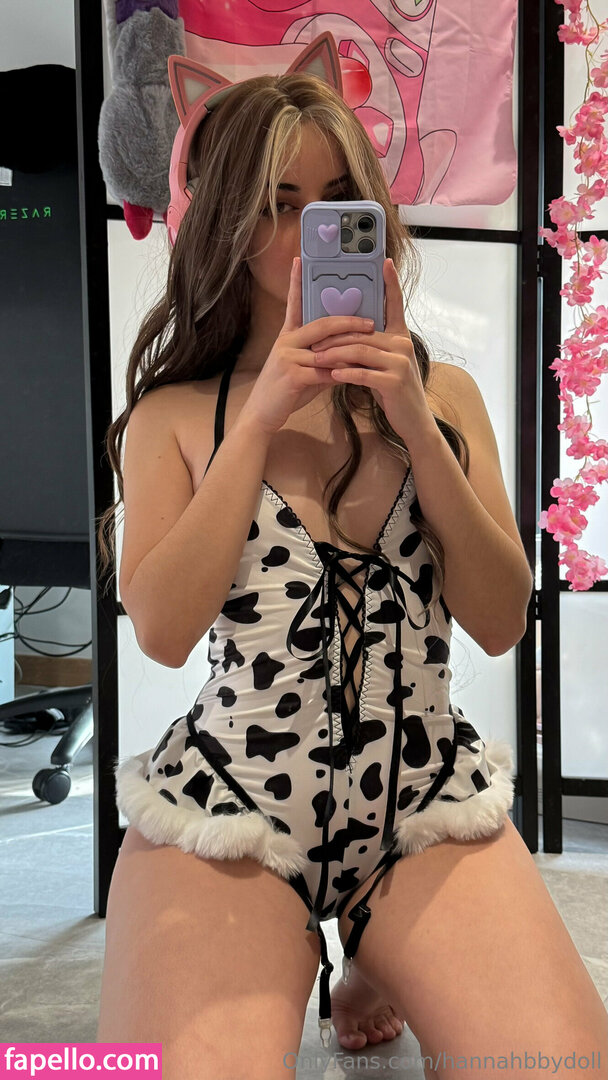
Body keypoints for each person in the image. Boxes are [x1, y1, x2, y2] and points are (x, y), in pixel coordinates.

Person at [95, 37, 608, 1080]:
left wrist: (414, 423)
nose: (308, 235)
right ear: (227, 222)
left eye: (337, 203)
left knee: (560, 1068)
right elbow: (162, 633)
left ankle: (377, 952)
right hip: (236, 806)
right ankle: (341, 950)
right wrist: (257, 421)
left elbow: (501, 620)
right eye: (277, 204)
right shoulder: (176, 417)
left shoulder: (443, 397)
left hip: (422, 803)